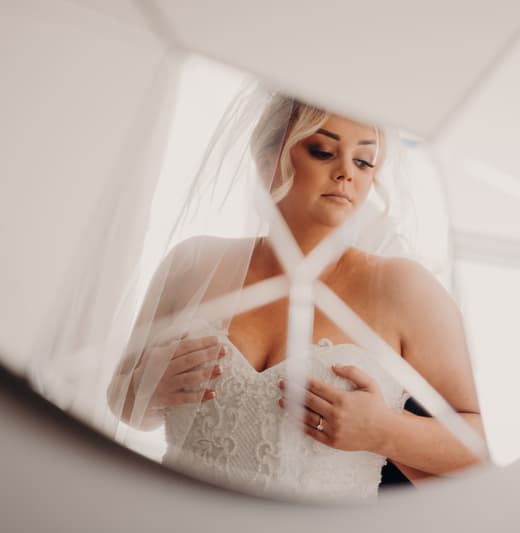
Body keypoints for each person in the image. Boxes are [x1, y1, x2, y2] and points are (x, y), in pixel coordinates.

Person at [106, 92, 484, 501]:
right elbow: (122, 403)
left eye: (363, 161)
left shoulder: (404, 289)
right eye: (323, 152)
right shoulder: (192, 264)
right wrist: (151, 384)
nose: (346, 173)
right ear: (267, 161)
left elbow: (481, 447)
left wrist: (385, 431)